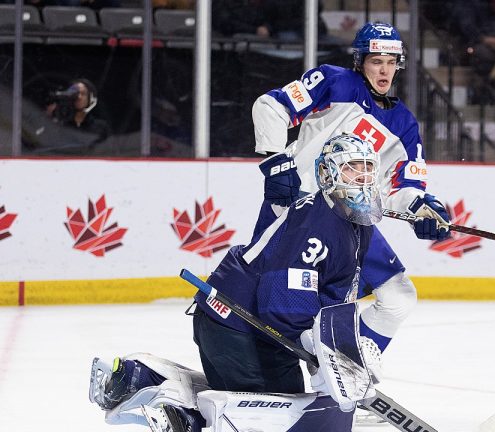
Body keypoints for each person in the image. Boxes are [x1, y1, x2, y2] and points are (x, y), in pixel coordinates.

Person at [89, 134, 390, 432]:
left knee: (281, 403)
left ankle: (138, 378)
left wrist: (337, 345)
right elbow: (282, 301)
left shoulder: (352, 221)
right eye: (352, 167)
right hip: (240, 324)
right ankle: (174, 407)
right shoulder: (317, 225)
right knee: (281, 415)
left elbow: (331, 289)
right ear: (328, 173)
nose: (362, 177)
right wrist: (322, 346)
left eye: (368, 168)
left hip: (236, 322)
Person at [249, 21, 451, 393]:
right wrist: (277, 160)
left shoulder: (404, 124)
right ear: (360, 61)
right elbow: (270, 106)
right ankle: (288, 378)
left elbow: (402, 188)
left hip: (350, 223)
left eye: (392, 61)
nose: (385, 69)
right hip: (298, 211)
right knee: (283, 310)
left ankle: (349, 376)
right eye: (377, 60)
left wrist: (421, 209)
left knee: (397, 297)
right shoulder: (334, 81)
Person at [24, 78, 111, 153]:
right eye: (74, 94)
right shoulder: (56, 125)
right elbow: (31, 145)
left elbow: (108, 151)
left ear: (90, 98)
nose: (79, 97)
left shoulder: (100, 127)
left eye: (83, 94)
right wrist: (46, 119)